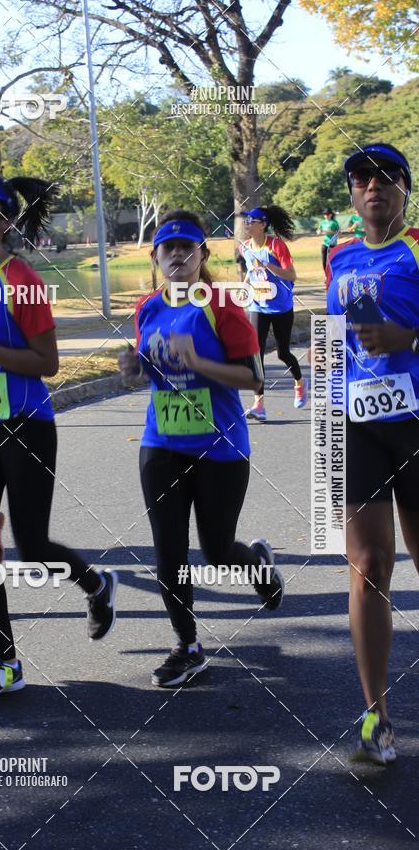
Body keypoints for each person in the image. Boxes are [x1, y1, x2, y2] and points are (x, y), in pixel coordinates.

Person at [0, 173, 118, 706]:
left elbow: (47, 363)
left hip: (26, 425)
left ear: (5, 220)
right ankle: (5, 662)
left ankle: (96, 585)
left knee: (31, 545)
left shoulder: (22, 279)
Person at [119, 210, 285, 688]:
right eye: (167, 248)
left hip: (220, 448)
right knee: (168, 551)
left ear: (202, 255)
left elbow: (254, 378)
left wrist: (197, 361)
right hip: (161, 443)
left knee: (217, 551)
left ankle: (257, 565)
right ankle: (187, 646)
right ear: (155, 256)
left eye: (185, 247)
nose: (176, 255)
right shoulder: (148, 307)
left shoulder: (221, 306)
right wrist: (133, 369)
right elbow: (152, 371)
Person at [326, 142, 419, 764]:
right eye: (362, 179)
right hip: (356, 423)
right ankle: (375, 717)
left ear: (405, 189)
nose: (373, 187)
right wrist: (328, 419)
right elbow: (335, 339)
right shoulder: (339, 256)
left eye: (386, 178)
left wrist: (406, 336)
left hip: (416, 423)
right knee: (368, 566)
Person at [238, 206, 307, 421]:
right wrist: (244, 286)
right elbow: (251, 269)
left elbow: (292, 275)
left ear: (263, 224)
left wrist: (268, 265)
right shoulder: (244, 246)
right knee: (256, 353)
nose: (247, 224)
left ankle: (300, 383)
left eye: (252, 221)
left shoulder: (276, 245)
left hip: (281, 307)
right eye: (246, 220)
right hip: (258, 305)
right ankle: (259, 405)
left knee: (282, 353)